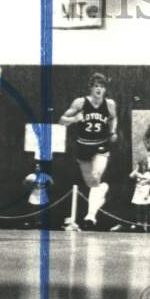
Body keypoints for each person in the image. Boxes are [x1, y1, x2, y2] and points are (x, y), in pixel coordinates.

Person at [60, 73, 118, 230]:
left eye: (102, 86)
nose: (99, 89)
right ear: (91, 88)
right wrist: (73, 119)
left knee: (96, 175)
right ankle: (101, 192)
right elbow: (61, 120)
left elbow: (113, 118)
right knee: (93, 184)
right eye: (96, 86)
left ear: (105, 89)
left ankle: (90, 216)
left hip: (101, 145)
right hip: (83, 146)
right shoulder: (80, 102)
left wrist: (113, 132)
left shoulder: (110, 104)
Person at [129, 159, 150, 231]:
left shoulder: (148, 174)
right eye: (141, 166)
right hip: (138, 191)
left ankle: (145, 224)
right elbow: (131, 176)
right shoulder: (136, 173)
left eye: (144, 166)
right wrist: (136, 169)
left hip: (145, 191)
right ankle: (139, 224)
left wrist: (148, 194)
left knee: (145, 209)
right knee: (138, 208)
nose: (143, 167)